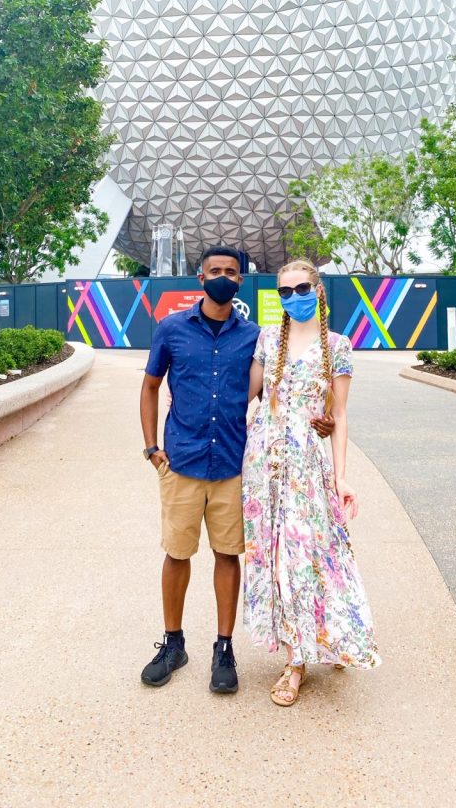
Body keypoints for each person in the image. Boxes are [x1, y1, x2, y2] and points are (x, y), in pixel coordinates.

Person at [139, 247, 334, 694]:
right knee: (177, 554)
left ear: (241, 281)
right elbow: (150, 388)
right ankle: (173, 643)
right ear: (200, 276)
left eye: (231, 272)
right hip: (182, 461)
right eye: (215, 271)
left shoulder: (257, 338)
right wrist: (152, 447)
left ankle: (223, 648)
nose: (222, 277)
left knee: (228, 556)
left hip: (233, 464)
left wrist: (325, 422)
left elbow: (293, 388)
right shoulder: (171, 329)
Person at [242, 258, 381, 706]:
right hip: (264, 465)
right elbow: (248, 394)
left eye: (302, 289)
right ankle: (297, 654)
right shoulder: (268, 339)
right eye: (285, 292)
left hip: (307, 465)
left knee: (309, 553)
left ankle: (316, 644)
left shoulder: (337, 346)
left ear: (318, 291)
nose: (293, 298)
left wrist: (342, 477)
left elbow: (338, 415)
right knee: (276, 557)